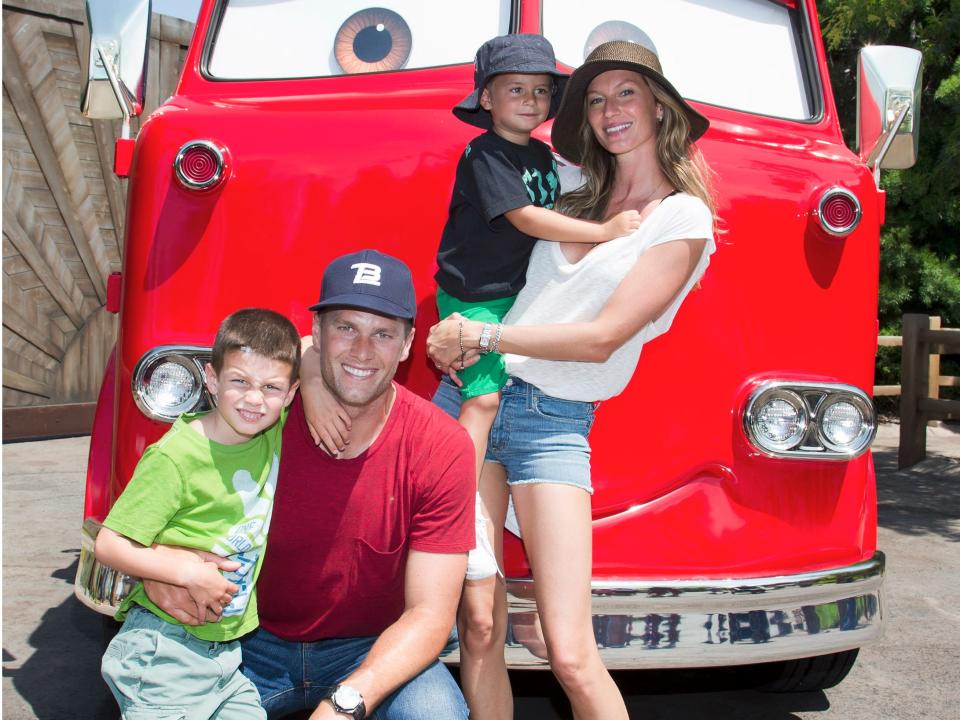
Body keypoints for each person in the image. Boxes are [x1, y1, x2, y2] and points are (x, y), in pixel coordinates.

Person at [426, 39, 717, 720]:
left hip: (549, 421)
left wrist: (480, 335)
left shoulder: (683, 218)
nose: (609, 108)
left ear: (659, 106)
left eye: (626, 93)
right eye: (595, 97)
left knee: (570, 651)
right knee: (477, 623)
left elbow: (601, 338)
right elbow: (488, 214)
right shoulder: (570, 187)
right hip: (470, 393)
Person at [145, 249, 475, 720]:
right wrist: (164, 571)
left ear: (407, 345)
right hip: (242, 637)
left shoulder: (440, 446)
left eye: (382, 333)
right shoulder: (259, 414)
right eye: (345, 328)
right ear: (316, 334)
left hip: (370, 649)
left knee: (434, 715)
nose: (362, 350)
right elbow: (153, 517)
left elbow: (429, 616)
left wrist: (345, 705)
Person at [435, 34, 643, 582]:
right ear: (486, 99)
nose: (530, 100)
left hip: (515, 300)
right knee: (480, 404)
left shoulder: (542, 156)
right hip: (475, 299)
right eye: (515, 89)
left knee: (490, 398)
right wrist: (604, 232)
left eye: (541, 90)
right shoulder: (485, 154)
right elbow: (526, 218)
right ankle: (464, 522)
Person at [96, 308, 301, 719]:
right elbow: (108, 544)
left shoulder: (271, 433)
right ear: (211, 379)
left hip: (224, 656)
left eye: (271, 387)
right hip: (164, 651)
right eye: (239, 381)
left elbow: (313, 354)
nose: (254, 398)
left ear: (291, 394)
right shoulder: (176, 457)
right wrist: (186, 572)